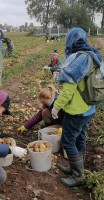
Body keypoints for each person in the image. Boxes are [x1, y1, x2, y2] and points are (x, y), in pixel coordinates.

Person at [51, 27, 104, 187]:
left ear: (71, 40)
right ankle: (75, 168)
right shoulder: (92, 55)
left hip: (77, 110)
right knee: (80, 137)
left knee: (67, 141)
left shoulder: (77, 59)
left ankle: (78, 176)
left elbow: (68, 91)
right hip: (89, 107)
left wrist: (56, 107)